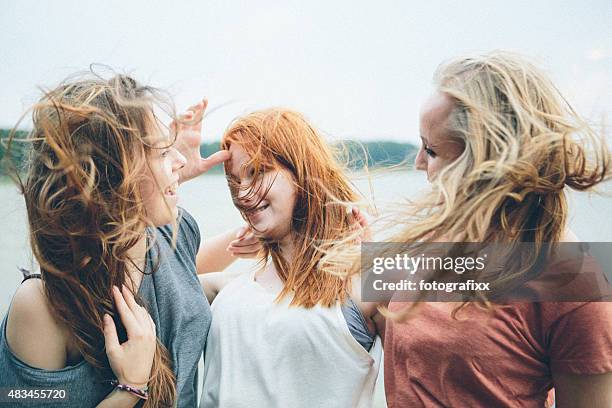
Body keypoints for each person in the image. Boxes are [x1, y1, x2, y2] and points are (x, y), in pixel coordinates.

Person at [0, 73, 258, 407]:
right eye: (162, 151)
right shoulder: (41, 307)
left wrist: (262, 236)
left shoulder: (169, 233)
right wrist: (130, 388)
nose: (180, 159)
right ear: (111, 174)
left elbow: (179, 277)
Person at [380, 51, 612, 407]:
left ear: (487, 159)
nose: (418, 163)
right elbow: (355, 308)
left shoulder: (572, 279)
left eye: (431, 149)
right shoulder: (429, 245)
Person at [199, 108, 383, 408]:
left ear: (301, 171)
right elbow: (155, 279)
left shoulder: (359, 287)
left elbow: (482, 269)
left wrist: (378, 259)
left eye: (256, 172)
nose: (243, 192)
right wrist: (242, 234)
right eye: (235, 180)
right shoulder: (228, 290)